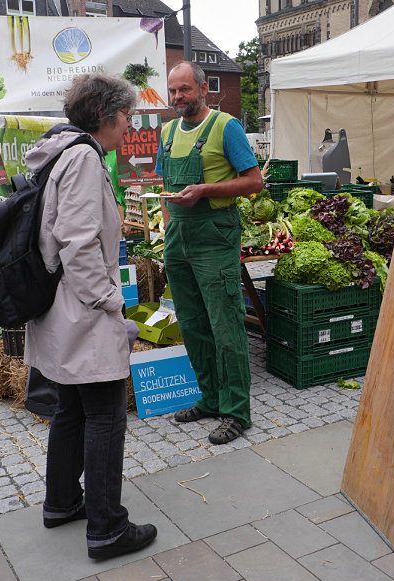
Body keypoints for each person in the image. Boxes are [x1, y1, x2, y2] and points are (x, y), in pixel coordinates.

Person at [23, 74, 156, 561]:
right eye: (126, 116)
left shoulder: (65, 152)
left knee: (72, 410)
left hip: (63, 310)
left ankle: (61, 503)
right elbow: (78, 244)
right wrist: (110, 303)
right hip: (82, 311)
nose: (129, 125)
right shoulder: (82, 158)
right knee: (104, 415)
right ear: (105, 116)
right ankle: (107, 528)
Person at [155, 61, 264, 445]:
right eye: (173, 91)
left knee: (226, 324)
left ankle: (236, 411)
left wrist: (205, 190)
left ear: (203, 89)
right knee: (192, 323)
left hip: (215, 235)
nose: (178, 97)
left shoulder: (225, 126)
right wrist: (169, 220)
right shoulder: (166, 131)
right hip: (179, 237)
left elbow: (255, 182)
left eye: (184, 89)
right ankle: (211, 398)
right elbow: (164, 183)